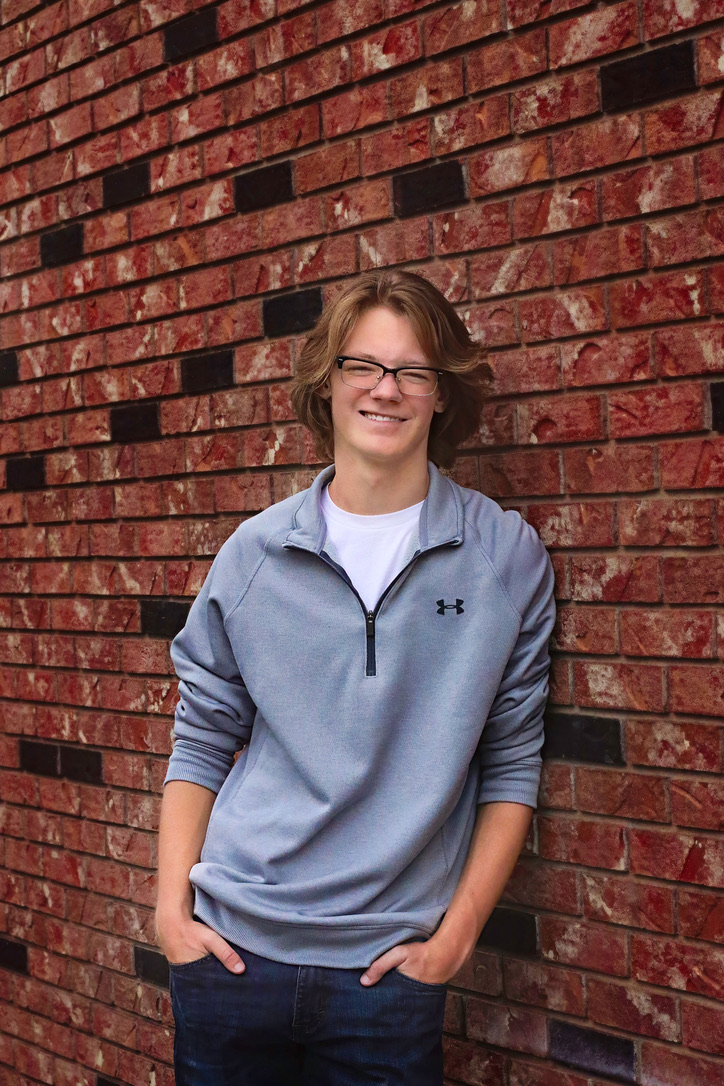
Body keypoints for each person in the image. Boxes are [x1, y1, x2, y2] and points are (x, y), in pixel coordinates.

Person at [156, 269, 556, 1085]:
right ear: (327, 383)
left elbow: (512, 761)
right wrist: (170, 913)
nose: (386, 389)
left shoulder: (503, 558)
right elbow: (200, 740)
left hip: (387, 977)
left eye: (413, 371)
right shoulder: (255, 553)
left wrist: (456, 938)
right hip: (230, 954)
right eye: (363, 366)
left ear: (442, 394)